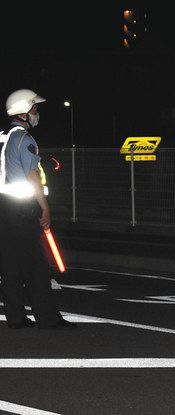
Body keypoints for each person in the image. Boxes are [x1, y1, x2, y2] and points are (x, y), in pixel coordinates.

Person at [0, 88, 77, 330]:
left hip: (4, 208)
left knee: (10, 265)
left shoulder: (2, 136)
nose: (36, 112)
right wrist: (45, 208)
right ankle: (48, 318)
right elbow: (32, 175)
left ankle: (16, 318)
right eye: (34, 108)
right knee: (37, 266)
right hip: (23, 208)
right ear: (24, 110)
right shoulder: (24, 139)